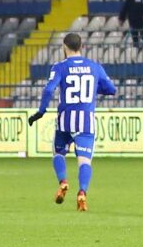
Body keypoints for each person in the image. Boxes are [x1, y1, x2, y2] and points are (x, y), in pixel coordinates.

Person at [28, 33, 117, 212]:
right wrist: (92, 88)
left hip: (65, 120)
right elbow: (111, 90)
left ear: (64, 46)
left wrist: (41, 111)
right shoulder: (94, 67)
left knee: (58, 154)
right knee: (85, 161)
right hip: (86, 122)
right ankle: (82, 192)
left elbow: (49, 89)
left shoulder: (60, 66)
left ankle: (63, 182)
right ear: (81, 46)